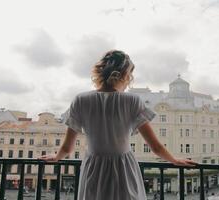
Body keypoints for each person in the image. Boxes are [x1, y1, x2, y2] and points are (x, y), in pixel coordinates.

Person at [39, 50, 197, 200]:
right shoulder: (132, 101)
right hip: (123, 167)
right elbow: (155, 147)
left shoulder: (81, 100)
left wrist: (56, 157)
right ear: (125, 75)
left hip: (94, 167)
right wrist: (174, 160)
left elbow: (67, 148)